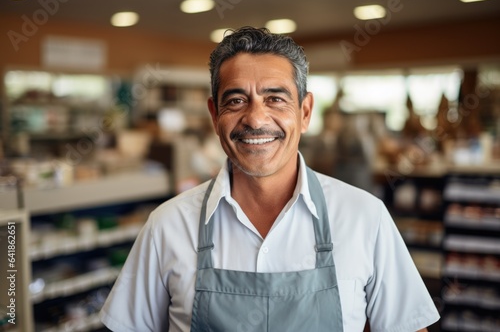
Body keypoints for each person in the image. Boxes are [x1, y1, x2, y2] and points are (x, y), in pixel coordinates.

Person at [99, 26, 440, 331]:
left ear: (305, 113)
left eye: (275, 99)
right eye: (236, 100)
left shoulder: (365, 217)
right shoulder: (167, 226)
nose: (256, 118)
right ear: (215, 115)